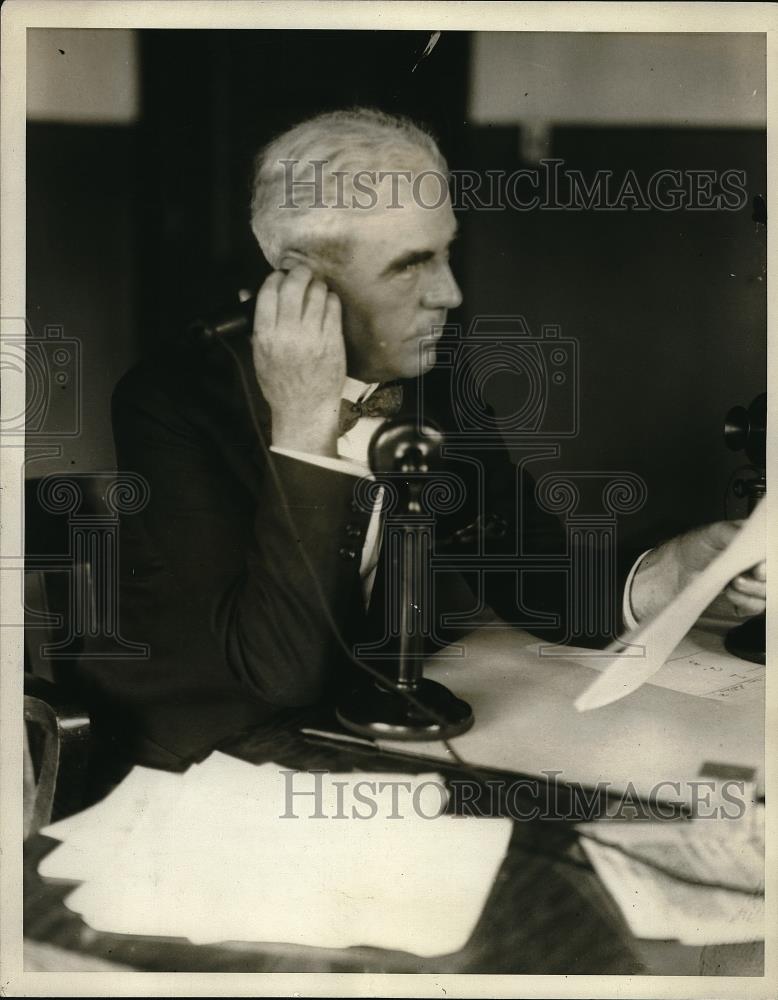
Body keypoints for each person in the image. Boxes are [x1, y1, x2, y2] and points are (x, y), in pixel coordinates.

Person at [79, 108, 766, 771]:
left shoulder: (442, 375)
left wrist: (678, 571)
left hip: (358, 729)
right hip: (202, 753)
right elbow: (277, 673)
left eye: (445, 254)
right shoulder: (170, 403)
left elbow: (542, 587)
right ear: (301, 282)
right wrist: (304, 426)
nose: (451, 293)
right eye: (411, 265)